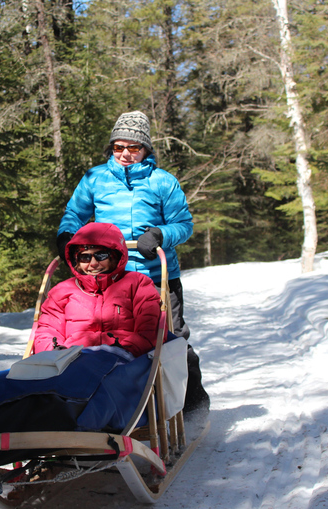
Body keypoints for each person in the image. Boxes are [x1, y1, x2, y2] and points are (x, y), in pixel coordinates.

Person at [56, 110, 209, 411]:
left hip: (157, 276)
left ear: (145, 149)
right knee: (117, 342)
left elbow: (184, 224)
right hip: (112, 279)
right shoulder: (95, 179)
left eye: (133, 147)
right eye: (118, 147)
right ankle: (119, 408)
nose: (125, 153)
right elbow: (74, 214)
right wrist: (66, 235)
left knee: (172, 341)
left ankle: (191, 406)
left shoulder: (162, 181)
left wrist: (160, 235)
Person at [34, 222, 160, 358]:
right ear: (77, 260)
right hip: (71, 360)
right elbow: (48, 329)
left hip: (123, 359)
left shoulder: (137, 284)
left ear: (114, 256)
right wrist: (55, 352)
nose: (93, 263)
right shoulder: (62, 291)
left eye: (101, 256)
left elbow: (149, 329)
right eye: (85, 257)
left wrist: (125, 350)